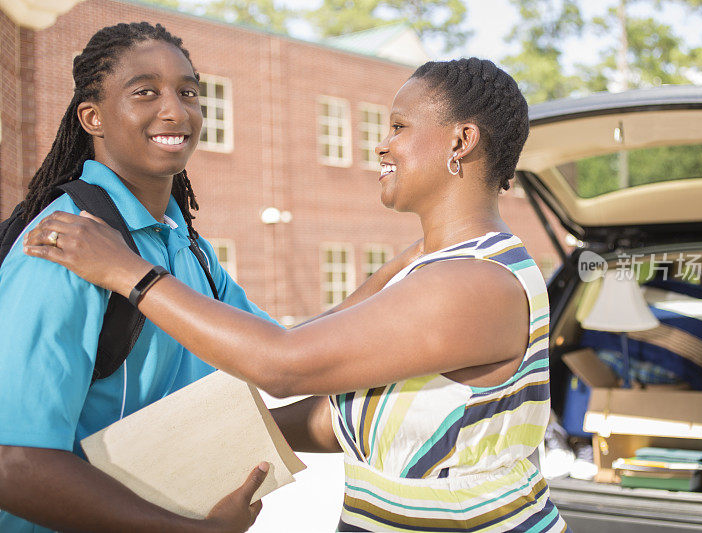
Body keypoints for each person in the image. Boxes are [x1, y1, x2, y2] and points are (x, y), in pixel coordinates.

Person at [25, 58, 571, 532]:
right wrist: (167, 464)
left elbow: (283, 364)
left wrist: (129, 273)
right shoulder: (444, 270)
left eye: (400, 126)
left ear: (461, 141)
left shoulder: (471, 285)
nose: (382, 144)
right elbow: (351, 406)